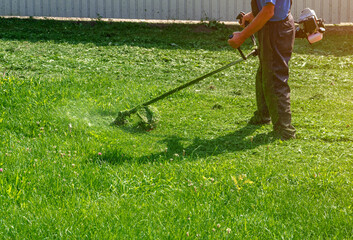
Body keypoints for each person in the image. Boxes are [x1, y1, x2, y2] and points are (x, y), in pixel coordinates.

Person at [228, 0, 296, 140]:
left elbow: (268, 12)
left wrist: (241, 36)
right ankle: (263, 115)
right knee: (265, 71)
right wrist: (252, 15)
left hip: (276, 30)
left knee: (274, 77)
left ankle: (284, 130)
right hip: (274, 26)